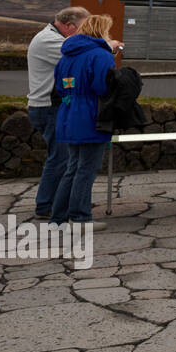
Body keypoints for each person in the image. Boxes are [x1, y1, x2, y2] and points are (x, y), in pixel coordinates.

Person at [51, 13, 123, 229]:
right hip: (91, 115)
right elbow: (102, 87)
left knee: (72, 167)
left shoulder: (67, 55)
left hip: (68, 113)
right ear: (101, 31)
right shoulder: (100, 55)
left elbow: (59, 87)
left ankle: (58, 218)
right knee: (86, 169)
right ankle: (80, 217)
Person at [26, 6, 89, 219]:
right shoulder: (50, 41)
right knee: (60, 158)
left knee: (63, 157)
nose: (84, 33)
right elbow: (80, 55)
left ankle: (60, 201)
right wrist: (108, 46)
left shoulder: (51, 37)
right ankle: (45, 205)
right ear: (69, 26)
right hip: (47, 107)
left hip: (52, 106)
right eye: (82, 28)